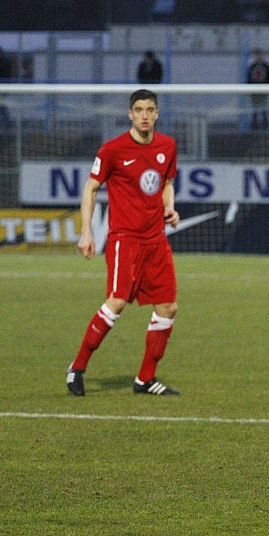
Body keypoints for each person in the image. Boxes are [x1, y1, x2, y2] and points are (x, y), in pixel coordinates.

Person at [66, 89, 180, 397]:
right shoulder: (113, 149)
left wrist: (169, 207)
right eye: (139, 109)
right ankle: (77, 367)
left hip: (156, 239)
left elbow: (167, 182)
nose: (144, 115)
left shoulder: (167, 146)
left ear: (157, 114)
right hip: (124, 239)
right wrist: (86, 232)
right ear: (130, 114)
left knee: (168, 306)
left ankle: (145, 379)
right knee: (116, 302)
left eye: (150, 110)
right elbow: (90, 188)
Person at [246, 49, 269, 130]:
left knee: (264, 108)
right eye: (257, 55)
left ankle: (265, 125)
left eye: (260, 55)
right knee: (255, 109)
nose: (259, 57)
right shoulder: (252, 67)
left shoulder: (267, 67)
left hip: (264, 91)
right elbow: (249, 78)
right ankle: (254, 125)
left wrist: (268, 89)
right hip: (255, 91)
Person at [0, 46, 14, 128]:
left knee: (0, 106)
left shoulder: (4, 64)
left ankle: (3, 125)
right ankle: (4, 125)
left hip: (2, 89)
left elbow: (5, 75)